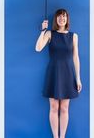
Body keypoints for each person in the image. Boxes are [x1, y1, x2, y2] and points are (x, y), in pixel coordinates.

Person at [35, 8, 82, 138]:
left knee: (64, 108)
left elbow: (75, 58)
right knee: (54, 107)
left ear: (67, 19)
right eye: (59, 16)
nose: (62, 18)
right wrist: (43, 31)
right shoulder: (50, 34)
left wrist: (78, 78)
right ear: (56, 19)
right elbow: (38, 48)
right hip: (54, 73)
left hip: (68, 73)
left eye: (64, 16)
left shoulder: (74, 36)